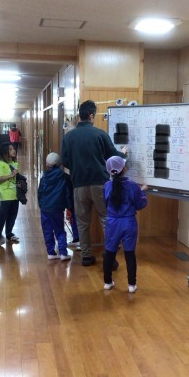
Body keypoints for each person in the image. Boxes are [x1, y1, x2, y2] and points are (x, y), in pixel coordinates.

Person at [61, 100, 127, 266]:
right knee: (105, 218)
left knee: (82, 222)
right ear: (91, 116)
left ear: (80, 115)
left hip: (79, 184)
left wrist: (77, 168)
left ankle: (86, 256)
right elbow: (113, 156)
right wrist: (123, 153)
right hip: (100, 184)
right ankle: (109, 257)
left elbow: (65, 161)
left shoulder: (68, 137)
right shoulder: (100, 134)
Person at [102, 156, 147, 293]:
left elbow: (106, 203)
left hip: (112, 222)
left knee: (110, 252)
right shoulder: (132, 185)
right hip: (128, 222)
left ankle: (107, 282)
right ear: (124, 168)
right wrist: (142, 191)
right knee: (129, 253)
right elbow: (140, 204)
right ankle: (131, 285)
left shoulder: (107, 186)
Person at [37, 152, 72, 261]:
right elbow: (68, 193)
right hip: (57, 208)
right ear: (59, 163)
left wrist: (41, 204)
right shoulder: (64, 177)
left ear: (47, 164)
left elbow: (40, 192)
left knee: (47, 230)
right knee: (59, 230)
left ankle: (51, 252)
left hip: (45, 208)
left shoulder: (44, 177)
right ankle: (63, 253)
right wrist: (70, 206)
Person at [0, 143, 20, 245]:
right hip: (5, 195)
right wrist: (11, 175)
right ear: (4, 152)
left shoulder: (15, 163)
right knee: (2, 216)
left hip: (15, 195)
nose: (13, 150)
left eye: (13, 149)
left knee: (13, 215)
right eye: (10, 149)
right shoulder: (1, 165)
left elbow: (16, 178)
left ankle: (9, 234)